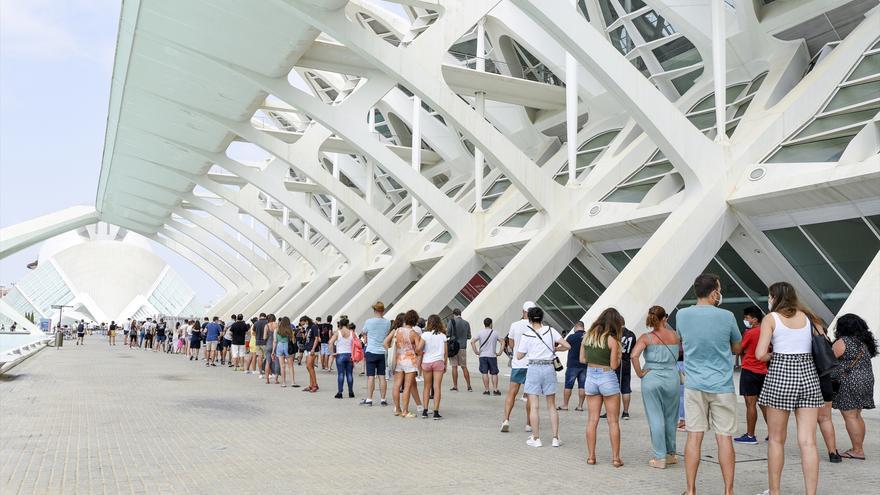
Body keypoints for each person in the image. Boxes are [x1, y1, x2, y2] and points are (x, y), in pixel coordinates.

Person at [756, 282, 823, 495]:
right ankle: (810, 493)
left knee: (776, 439)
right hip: (809, 376)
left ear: (774, 297)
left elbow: (759, 354)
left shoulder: (771, 319)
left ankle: (775, 491)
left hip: (781, 375)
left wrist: (772, 355)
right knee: (808, 441)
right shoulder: (809, 318)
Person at [677, 273, 741, 495]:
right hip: (722, 385)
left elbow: (682, 340)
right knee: (724, 438)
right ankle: (728, 491)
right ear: (714, 291)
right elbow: (737, 347)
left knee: (694, 436)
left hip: (694, 385)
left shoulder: (682, 315)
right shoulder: (727, 316)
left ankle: (691, 490)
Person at [630, 306, 681, 469]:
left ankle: (659, 458)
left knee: (655, 418)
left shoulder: (646, 337)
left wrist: (639, 373)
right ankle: (671, 454)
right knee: (671, 418)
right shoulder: (674, 336)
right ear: (664, 318)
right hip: (672, 378)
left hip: (651, 377)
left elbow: (634, 355)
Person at [516, 306, 569, 448]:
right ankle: (555, 438)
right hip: (548, 368)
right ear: (542, 317)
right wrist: (556, 348)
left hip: (533, 368)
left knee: (534, 406)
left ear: (530, 318)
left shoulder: (527, 334)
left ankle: (536, 438)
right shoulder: (551, 331)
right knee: (551, 405)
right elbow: (567, 346)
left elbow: (519, 355)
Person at [581, 308, 624, 465]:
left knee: (592, 420)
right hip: (607, 377)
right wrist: (619, 356)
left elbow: (582, 359)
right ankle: (615, 458)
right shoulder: (613, 340)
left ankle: (591, 457)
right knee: (613, 421)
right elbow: (614, 365)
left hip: (591, 376)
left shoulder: (588, 337)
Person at [832, 313, 877, 461]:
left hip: (849, 381)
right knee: (857, 415)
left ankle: (857, 450)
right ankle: (858, 447)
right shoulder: (864, 343)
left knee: (850, 416)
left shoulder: (842, 342)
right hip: (866, 380)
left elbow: (830, 360)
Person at [735, 306, 769, 445]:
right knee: (764, 404)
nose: (745, 320)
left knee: (750, 404)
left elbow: (739, 349)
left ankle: (750, 435)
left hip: (749, 370)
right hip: (763, 371)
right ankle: (773, 433)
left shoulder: (751, 332)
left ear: (754, 319)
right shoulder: (768, 331)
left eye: (747, 318)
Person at [501, 301, 535, 433]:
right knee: (530, 395)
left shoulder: (515, 325)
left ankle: (506, 419)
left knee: (512, 393)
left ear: (523, 312)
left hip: (517, 363)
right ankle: (528, 423)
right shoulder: (538, 326)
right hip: (531, 365)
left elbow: (511, 344)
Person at [384, 310, 422, 418]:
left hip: (398, 360)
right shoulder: (414, 334)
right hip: (410, 361)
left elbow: (385, 342)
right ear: (415, 321)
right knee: (407, 386)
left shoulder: (397, 331)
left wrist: (391, 350)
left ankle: (397, 409)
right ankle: (405, 411)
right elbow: (419, 350)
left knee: (396, 385)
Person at [360, 302, 390, 406]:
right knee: (382, 376)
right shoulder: (387, 322)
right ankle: (383, 399)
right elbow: (386, 334)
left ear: (374, 310)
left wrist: (366, 338)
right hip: (381, 352)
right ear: (383, 310)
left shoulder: (369, 321)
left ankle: (369, 399)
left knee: (371, 376)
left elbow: (363, 332)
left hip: (371, 350)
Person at [420, 315, 448, 419]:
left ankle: (425, 411)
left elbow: (420, 348)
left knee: (426, 387)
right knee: (437, 387)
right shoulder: (443, 336)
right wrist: (445, 364)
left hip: (427, 362)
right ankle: (436, 412)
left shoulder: (425, 335)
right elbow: (445, 352)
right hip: (438, 362)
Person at [559, 321, 587, 412]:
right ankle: (580, 406)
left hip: (572, 365)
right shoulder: (588, 336)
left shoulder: (572, 337)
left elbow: (565, 347)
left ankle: (565, 405)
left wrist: (556, 349)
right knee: (582, 386)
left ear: (576, 326)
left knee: (568, 385)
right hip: (585, 365)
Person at [471, 317, 503, 395]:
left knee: (484, 373)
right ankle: (495, 390)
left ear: (484, 324)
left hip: (482, 356)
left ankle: (487, 390)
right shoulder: (495, 333)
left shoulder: (480, 332)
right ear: (491, 324)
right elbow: (503, 342)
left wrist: (476, 352)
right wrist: (499, 352)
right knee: (494, 373)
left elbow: (472, 342)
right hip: (492, 356)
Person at [446, 308, 472, 391]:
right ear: (460, 314)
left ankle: (455, 386)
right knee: (464, 367)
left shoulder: (451, 322)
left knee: (454, 367)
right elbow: (469, 336)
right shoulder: (466, 323)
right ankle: (469, 386)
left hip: (453, 347)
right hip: (463, 347)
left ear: (454, 314)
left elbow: (448, 334)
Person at [328, 318, 354, 398]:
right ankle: (351, 392)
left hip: (340, 354)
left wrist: (332, 353)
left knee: (341, 374)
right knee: (349, 374)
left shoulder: (337, 333)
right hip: (349, 355)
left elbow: (330, 342)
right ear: (347, 324)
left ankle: (340, 392)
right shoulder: (352, 333)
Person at [273, 317, 298, 387]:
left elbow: (275, 341)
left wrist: (273, 351)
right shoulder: (290, 329)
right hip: (288, 346)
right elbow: (293, 340)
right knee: (290, 366)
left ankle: (283, 383)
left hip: (279, 346)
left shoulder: (276, 330)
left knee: (282, 366)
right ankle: (293, 382)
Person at [618, 325, 636, 419]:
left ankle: (612, 411)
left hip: (617, 362)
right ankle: (625, 412)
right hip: (627, 362)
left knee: (614, 388)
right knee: (626, 388)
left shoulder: (616, 333)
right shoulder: (632, 334)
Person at [301, 316, 320, 392]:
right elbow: (306, 338)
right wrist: (303, 331)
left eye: (302, 323)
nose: (302, 325)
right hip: (308, 348)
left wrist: (313, 349)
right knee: (310, 367)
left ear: (306, 321)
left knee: (309, 366)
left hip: (312, 349)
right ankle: (311, 385)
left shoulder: (314, 326)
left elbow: (316, 338)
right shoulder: (308, 328)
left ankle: (315, 385)